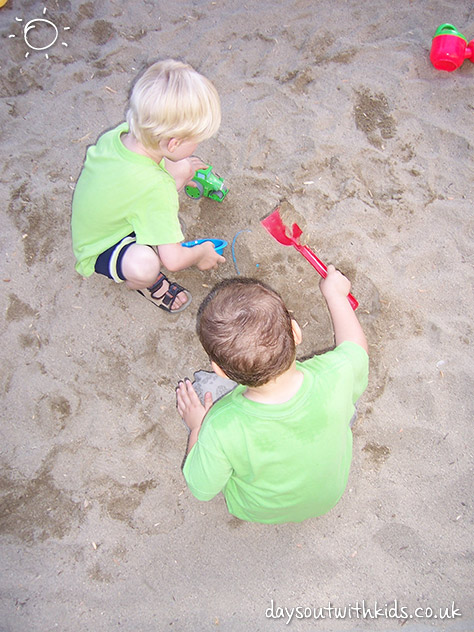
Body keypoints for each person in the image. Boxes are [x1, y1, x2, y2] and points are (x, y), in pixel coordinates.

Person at [176, 266, 369, 523]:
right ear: (296, 332)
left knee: (202, 388)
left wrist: (197, 428)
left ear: (220, 370)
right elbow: (355, 347)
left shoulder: (221, 426)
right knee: (343, 400)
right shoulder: (336, 372)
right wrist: (335, 295)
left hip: (257, 510)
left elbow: (202, 488)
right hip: (328, 496)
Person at [71, 59, 225, 313]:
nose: (198, 146)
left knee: (181, 167)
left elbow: (149, 176)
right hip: (100, 245)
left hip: (108, 214)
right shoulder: (157, 188)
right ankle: (144, 283)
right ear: (173, 144)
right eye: (197, 140)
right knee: (147, 264)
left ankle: (153, 228)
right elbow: (173, 261)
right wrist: (201, 253)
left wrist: (181, 171)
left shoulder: (119, 135)